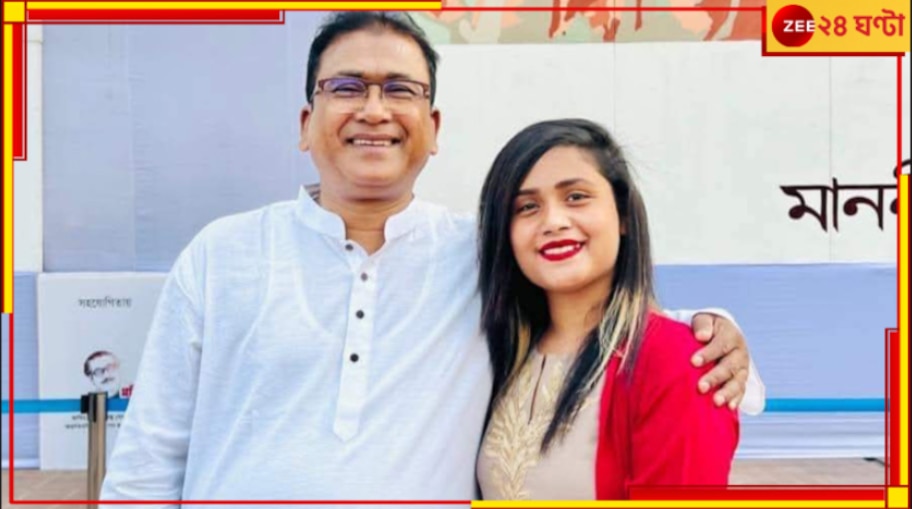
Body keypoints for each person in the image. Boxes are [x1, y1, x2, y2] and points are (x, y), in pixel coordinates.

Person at [101, 11, 762, 503]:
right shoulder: (222, 255)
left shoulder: (479, 255)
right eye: (347, 87)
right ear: (305, 123)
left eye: (400, 89)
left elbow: (590, 315)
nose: (374, 109)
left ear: (434, 127)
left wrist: (714, 332)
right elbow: (150, 456)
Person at [475, 119, 738, 500]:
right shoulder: (498, 355)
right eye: (527, 207)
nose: (553, 222)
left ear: (623, 215)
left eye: (576, 197)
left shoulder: (679, 361)